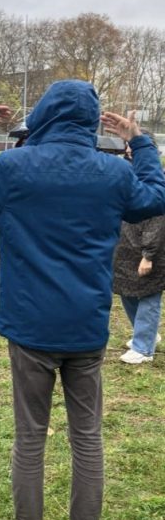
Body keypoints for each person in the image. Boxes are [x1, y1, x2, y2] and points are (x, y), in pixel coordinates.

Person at [0, 80, 165, 520]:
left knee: (30, 438)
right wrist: (139, 142)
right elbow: (155, 196)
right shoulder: (113, 173)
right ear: (89, 121)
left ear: (44, 114)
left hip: (30, 326)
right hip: (85, 326)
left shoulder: (14, 167)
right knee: (87, 437)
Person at [112, 143, 165, 365]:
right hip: (125, 249)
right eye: (128, 150)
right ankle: (147, 334)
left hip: (151, 249)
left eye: (134, 149)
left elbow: (157, 220)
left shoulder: (155, 181)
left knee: (148, 296)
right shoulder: (127, 176)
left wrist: (149, 255)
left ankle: (143, 348)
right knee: (128, 293)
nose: (129, 153)